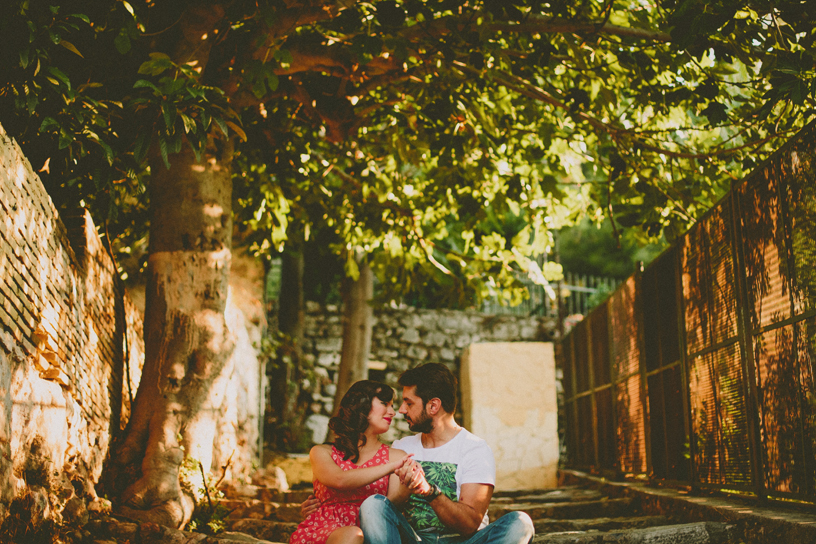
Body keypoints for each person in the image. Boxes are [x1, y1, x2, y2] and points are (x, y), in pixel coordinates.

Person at [359, 363, 534, 544]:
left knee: (520, 524)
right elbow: (390, 514)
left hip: (464, 541)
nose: (401, 410)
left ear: (433, 406)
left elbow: (469, 525)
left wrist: (428, 491)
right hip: (415, 540)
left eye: (409, 403)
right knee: (373, 505)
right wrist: (405, 489)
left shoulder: (475, 450)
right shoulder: (402, 446)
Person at [290, 380, 413, 544]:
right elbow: (339, 480)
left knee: (356, 534)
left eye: (392, 406)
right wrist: (391, 468)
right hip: (324, 531)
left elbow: (390, 506)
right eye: (384, 403)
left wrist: (406, 488)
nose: (392, 412)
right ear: (361, 404)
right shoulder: (321, 452)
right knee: (352, 535)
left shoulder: (396, 456)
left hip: (373, 534)